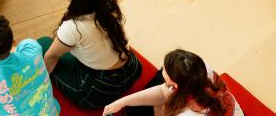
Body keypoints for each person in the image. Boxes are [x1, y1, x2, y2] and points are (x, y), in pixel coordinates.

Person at [37, 0, 142, 109]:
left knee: (43, 44)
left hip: (99, 88)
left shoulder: (73, 27)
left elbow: (51, 56)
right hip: (132, 69)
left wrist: (40, 80)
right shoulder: (109, 4)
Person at [102, 49, 244, 116]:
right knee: (157, 82)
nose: (162, 67)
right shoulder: (201, 70)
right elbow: (164, 91)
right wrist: (121, 102)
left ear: (176, 85)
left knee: (137, 111)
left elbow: (164, 93)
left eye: (165, 69)